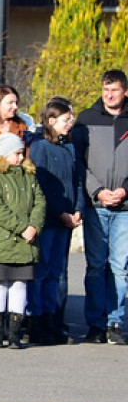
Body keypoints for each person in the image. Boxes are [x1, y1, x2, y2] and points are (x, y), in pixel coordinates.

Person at [71, 69, 128, 345]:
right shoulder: (86, 119)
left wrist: (124, 190)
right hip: (96, 205)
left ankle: (115, 322)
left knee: (120, 267)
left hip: (125, 207)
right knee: (96, 266)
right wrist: (98, 191)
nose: (109, 94)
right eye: (106, 89)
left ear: (125, 91)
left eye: (114, 89)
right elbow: (78, 162)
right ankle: (95, 323)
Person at [0, 133, 45, 350]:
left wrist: (34, 226)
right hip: (1, 242)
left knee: (19, 285)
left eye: (21, 153)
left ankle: (15, 332)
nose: (20, 157)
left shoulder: (29, 176)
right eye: (16, 153)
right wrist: (22, 228)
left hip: (25, 243)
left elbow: (40, 202)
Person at [27, 97, 82, 345]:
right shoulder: (40, 147)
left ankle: (54, 318)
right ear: (51, 121)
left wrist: (77, 209)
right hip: (50, 220)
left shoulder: (69, 147)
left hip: (67, 221)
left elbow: (77, 181)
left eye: (70, 120)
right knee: (43, 270)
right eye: (65, 120)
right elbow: (42, 186)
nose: (69, 124)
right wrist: (60, 212)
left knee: (58, 273)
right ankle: (37, 320)